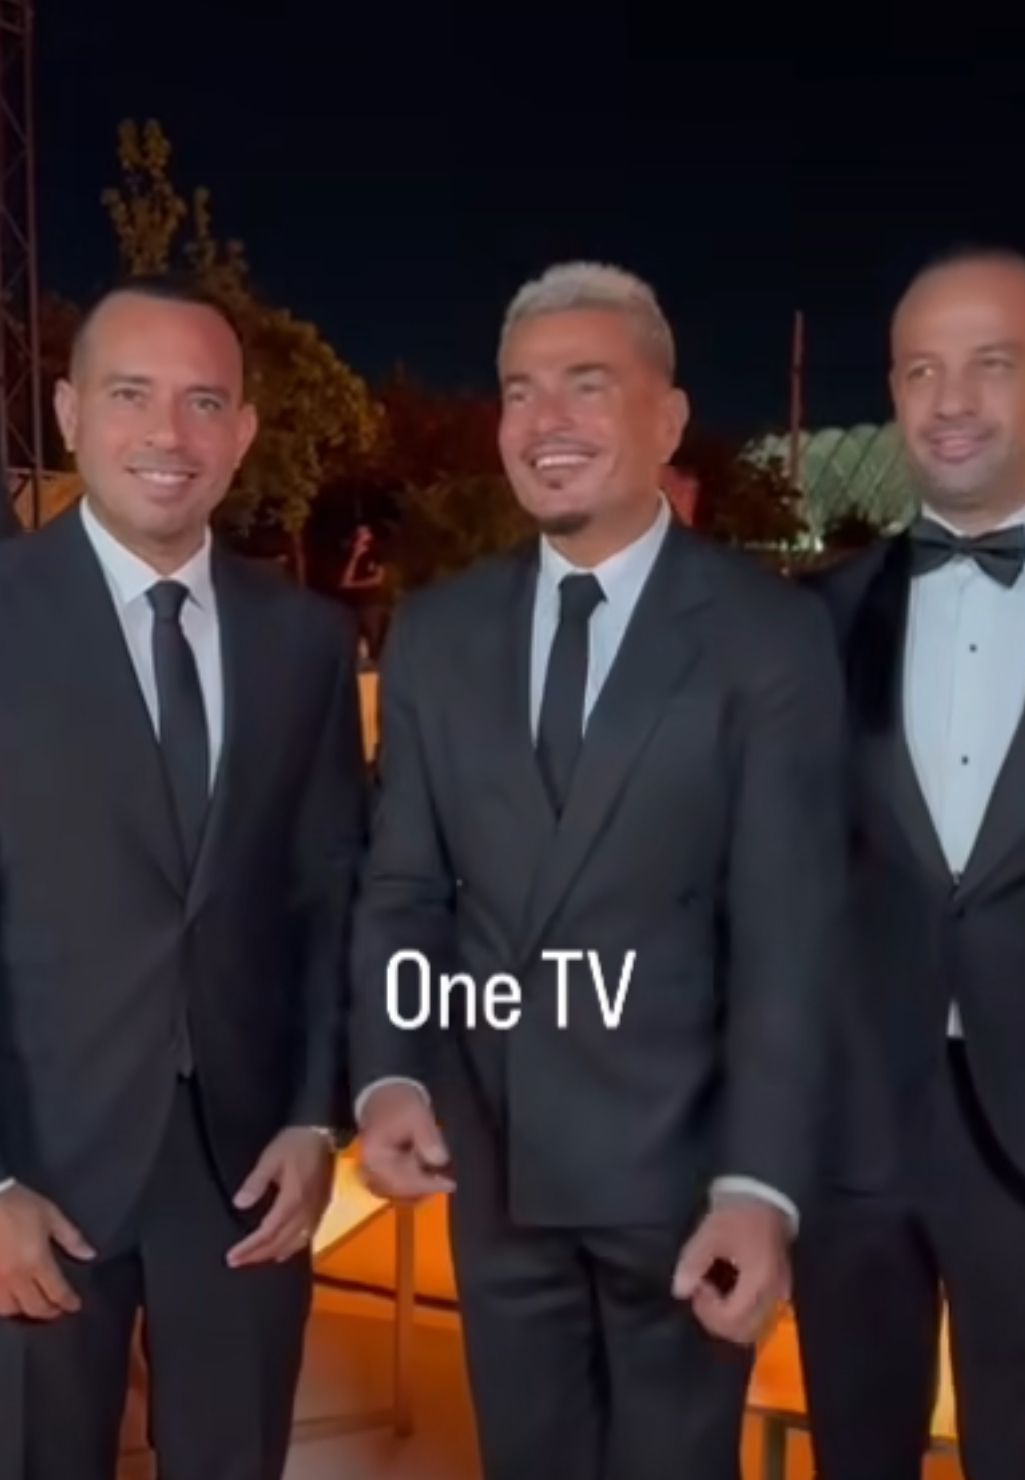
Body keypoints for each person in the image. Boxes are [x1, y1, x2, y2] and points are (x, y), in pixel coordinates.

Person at [350, 261, 847, 1480]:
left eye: (587, 384)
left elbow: (787, 933)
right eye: (521, 391)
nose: (546, 420)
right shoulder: (438, 634)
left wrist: (759, 1186)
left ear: (667, 420)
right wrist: (390, 1079)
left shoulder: (768, 634)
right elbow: (406, 888)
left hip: (684, 1188)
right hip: (495, 1174)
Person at [794, 244, 1025, 1480]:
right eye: (920, 370)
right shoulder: (816, 616)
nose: (949, 400)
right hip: (850, 1136)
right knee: (857, 1454)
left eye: (989, 365)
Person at [0, 275, 366, 1480]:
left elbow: (328, 897)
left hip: (247, 1167)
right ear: (68, 413)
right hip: (37, 1165)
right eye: (131, 394)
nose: (169, 433)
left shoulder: (306, 641)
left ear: (243, 431)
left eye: (204, 401)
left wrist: (315, 1119)